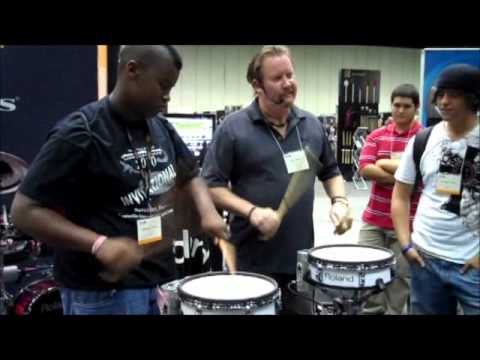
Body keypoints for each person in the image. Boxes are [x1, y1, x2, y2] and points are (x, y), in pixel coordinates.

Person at [10, 45, 229, 315]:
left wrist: (208, 213)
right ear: (132, 70)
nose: (167, 97)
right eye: (163, 85)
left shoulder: (160, 126)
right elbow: (23, 212)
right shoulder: (81, 133)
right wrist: (98, 244)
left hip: (153, 282)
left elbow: (190, 173)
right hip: (102, 293)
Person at [201, 45, 352, 311]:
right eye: (277, 78)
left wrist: (339, 201)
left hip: (299, 258)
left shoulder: (311, 124)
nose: (288, 83)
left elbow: (330, 171)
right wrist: (252, 212)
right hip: (251, 260)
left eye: (290, 75)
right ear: (257, 85)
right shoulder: (233, 128)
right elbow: (211, 186)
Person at [392, 64, 480, 315]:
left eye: (453, 94)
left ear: (473, 98)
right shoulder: (423, 140)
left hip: (472, 266)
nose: (444, 101)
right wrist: (406, 245)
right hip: (425, 261)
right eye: (440, 94)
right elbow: (400, 196)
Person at [358, 84, 423, 315]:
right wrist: (406, 178)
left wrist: (383, 164)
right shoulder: (377, 135)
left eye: (407, 106)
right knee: (367, 271)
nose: (400, 110)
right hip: (373, 221)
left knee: (401, 279)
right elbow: (365, 168)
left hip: (407, 224)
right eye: (396, 105)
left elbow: (422, 177)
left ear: (417, 107)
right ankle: (372, 311)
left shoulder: (424, 138)